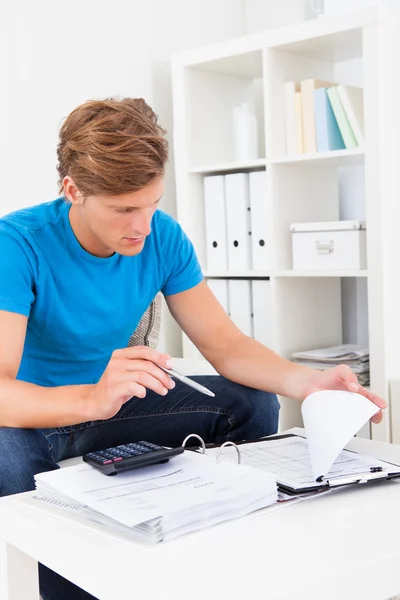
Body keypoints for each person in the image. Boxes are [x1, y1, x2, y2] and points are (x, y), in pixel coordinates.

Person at [0, 97, 386, 600]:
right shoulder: (17, 244)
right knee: (5, 454)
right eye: (123, 209)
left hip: (113, 406)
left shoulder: (163, 237)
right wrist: (90, 399)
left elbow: (225, 345)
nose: (142, 224)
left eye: (152, 203)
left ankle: (220, 549)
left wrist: (308, 382)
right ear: (73, 191)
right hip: (38, 414)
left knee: (249, 401)